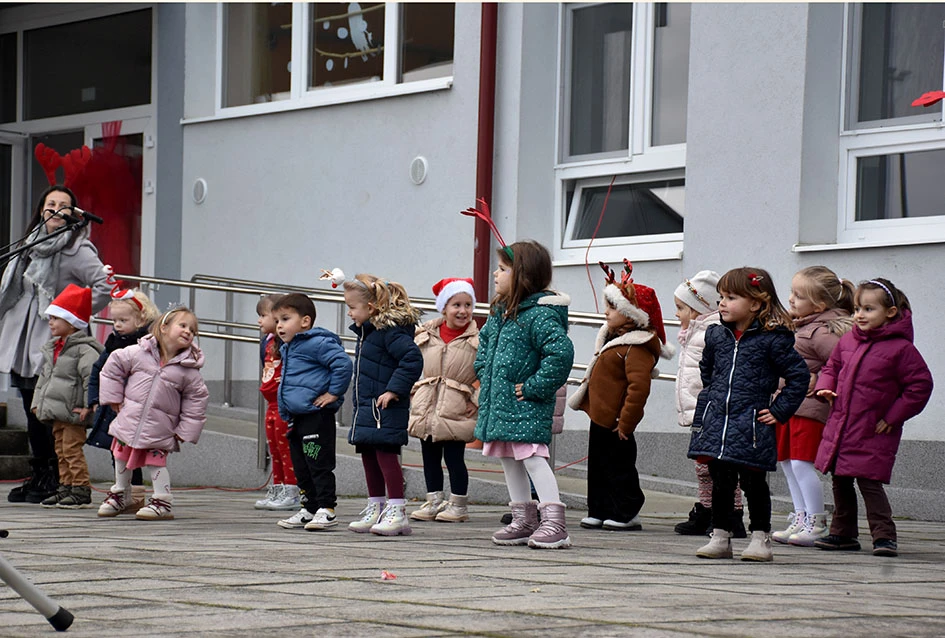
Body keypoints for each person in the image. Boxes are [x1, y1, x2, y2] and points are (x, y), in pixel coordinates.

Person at [687, 267, 809, 562]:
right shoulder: (717, 335)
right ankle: (720, 536)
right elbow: (707, 368)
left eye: (731, 297)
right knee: (720, 480)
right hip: (719, 422)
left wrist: (779, 411)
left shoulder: (772, 339)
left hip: (752, 423)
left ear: (755, 303)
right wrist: (714, 398)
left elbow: (799, 377)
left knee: (754, 483)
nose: (722, 303)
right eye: (721, 297)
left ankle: (760, 538)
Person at [0, 185, 110, 503]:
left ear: (73, 214)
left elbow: (103, 286)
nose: (56, 209)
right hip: (22, 338)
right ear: (41, 209)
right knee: (30, 405)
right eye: (51, 204)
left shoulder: (78, 249)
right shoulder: (30, 243)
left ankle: (55, 476)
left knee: (49, 410)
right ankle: (40, 473)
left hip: (51, 338)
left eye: (64, 205)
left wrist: (72, 315)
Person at [814, 278, 933, 557]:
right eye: (857, 309)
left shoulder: (901, 349)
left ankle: (884, 536)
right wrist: (825, 387)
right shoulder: (848, 340)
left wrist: (893, 417)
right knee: (840, 480)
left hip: (873, 428)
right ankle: (843, 533)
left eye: (868, 309)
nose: (859, 315)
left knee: (869, 482)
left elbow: (920, 386)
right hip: (842, 426)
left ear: (890, 312)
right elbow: (832, 367)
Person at [475, 240, 574, 549]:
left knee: (532, 457)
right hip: (502, 403)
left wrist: (534, 387)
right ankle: (524, 519)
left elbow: (560, 354)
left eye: (502, 269)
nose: (495, 274)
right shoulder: (500, 312)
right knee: (508, 458)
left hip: (525, 403)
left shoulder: (539, 316)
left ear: (523, 276)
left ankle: (555, 522)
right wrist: (484, 372)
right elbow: (484, 345)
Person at [569, 261, 673, 532]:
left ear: (631, 315)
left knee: (620, 467)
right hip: (599, 416)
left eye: (613, 307)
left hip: (618, 422)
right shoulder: (611, 339)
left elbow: (638, 388)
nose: (606, 311)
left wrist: (627, 422)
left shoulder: (637, 347)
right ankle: (599, 509)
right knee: (598, 466)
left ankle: (626, 511)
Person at [97, 306, 209, 520]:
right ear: (164, 327)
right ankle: (121, 493)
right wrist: (114, 397)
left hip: (160, 427)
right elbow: (113, 366)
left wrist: (185, 430)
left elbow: (196, 401)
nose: (188, 332)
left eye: (192, 330)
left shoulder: (188, 370)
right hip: (130, 418)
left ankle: (162, 500)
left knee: (156, 462)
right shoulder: (139, 353)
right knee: (120, 456)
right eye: (183, 325)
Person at [772, 266, 854, 546]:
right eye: (792, 292)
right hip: (789, 406)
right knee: (787, 463)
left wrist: (819, 378)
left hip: (809, 409)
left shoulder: (821, 332)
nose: (791, 299)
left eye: (799, 295)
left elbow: (845, 364)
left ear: (818, 306)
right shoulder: (803, 326)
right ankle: (801, 516)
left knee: (800, 464)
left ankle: (816, 522)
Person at [343, 273, 423, 536]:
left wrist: (393, 390)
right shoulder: (369, 333)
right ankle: (376, 506)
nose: (349, 313)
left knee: (386, 455)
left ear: (371, 307)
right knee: (368, 454)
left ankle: (397, 510)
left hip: (384, 407)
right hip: (369, 407)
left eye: (352, 307)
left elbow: (412, 359)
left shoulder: (389, 332)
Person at [672, 270, 747, 538]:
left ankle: (732, 514)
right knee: (703, 466)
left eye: (681, 308)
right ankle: (707, 508)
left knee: (720, 467)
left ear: (699, 309)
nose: (676, 314)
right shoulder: (694, 332)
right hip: (700, 411)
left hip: (712, 411)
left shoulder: (711, 334)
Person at [272, 293, 353, 531]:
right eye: (277, 321)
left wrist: (333, 393)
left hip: (316, 418)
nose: (279, 326)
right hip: (298, 418)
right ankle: (309, 508)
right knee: (302, 466)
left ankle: (326, 509)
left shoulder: (316, 343)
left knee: (317, 462)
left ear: (305, 321)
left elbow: (343, 364)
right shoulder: (289, 348)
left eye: (285, 319)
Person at [408, 277, 479, 523]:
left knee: (454, 458)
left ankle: (458, 505)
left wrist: (476, 400)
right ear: (444, 308)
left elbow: (488, 374)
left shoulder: (477, 340)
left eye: (468, 305)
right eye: (456, 305)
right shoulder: (425, 334)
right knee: (429, 456)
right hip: (427, 404)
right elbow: (411, 364)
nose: (463, 311)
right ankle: (434, 501)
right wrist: (413, 391)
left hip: (457, 406)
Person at [86, 285, 160, 515]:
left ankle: (138, 493)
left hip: (138, 407)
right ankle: (124, 491)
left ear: (141, 319)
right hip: (114, 409)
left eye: (123, 320)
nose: (117, 325)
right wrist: (96, 400)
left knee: (141, 452)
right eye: (114, 320)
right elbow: (99, 372)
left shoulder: (148, 344)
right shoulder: (113, 344)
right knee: (117, 452)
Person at [30, 284, 103, 509]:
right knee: (60, 451)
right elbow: (44, 379)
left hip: (73, 412)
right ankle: (66, 486)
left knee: (72, 450)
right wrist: (37, 403)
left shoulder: (84, 351)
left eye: (55, 318)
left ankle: (80, 488)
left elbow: (90, 379)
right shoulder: (54, 349)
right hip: (57, 412)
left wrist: (88, 405)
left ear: (71, 323)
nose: (50, 322)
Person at [253, 294, 302, 512]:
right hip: (270, 404)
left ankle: (292, 491)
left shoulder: (288, 343)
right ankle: (277, 488)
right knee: (273, 448)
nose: (259, 321)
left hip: (283, 404)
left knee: (285, 449)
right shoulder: (267, 342)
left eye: (263, 315)